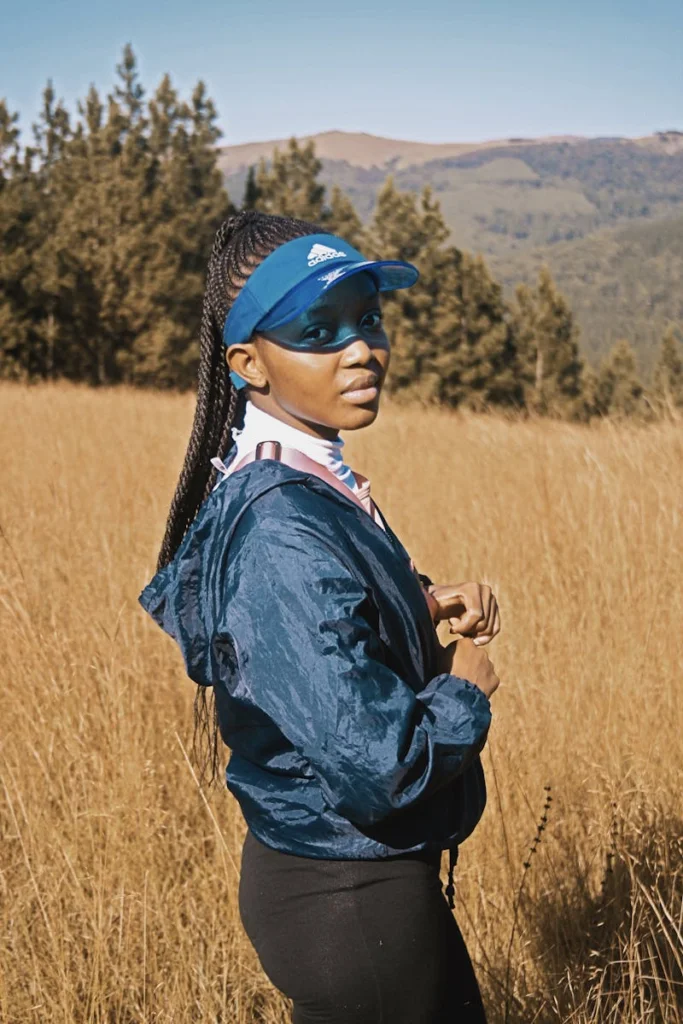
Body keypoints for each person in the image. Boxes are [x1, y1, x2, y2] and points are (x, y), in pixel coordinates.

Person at [139, 211, 501, 1023]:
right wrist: (464, 690)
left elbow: (310, 638)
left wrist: (419, 605)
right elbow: (380, 765)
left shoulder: (302, 476)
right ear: (247, 364)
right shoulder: (279, 523)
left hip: (356, 882)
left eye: (368, 319)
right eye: (318, 331)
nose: (361, 349)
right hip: (349, 894)